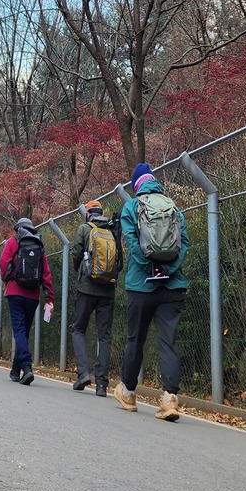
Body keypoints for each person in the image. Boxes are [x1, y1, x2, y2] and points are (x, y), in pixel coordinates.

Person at [114, 163, 190, 421]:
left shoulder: (132, 207)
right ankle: (170, 399)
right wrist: (168, 269)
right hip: (172, 286)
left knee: (135, 339)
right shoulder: (173, 207)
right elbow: (184, 243)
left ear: (136, 185)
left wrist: (151, 267)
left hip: (141, 285)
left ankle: (128, 392)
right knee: (167, 341)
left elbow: (133, 243)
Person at [70, 200, 121, 396]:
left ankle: (83, 373)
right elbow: (119, 261)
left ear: (88, 214)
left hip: (86, 288)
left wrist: (83, 272)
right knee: (105, 336)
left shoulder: (84, 228)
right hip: (108, 290)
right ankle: (102, 384)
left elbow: (76, 255)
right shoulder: (112, 229)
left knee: (78, 329)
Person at [0, 217, 54, 386]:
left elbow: (3, 264)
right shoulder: (39, 245)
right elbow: (46, 273)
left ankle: (27, 367)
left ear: (18, 230)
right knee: (24, 331)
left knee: (19, 330)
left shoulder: (12, 243)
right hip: (33, 295)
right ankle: (16, 371)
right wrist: (49, 297)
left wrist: (7, 278)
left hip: (15, 292)